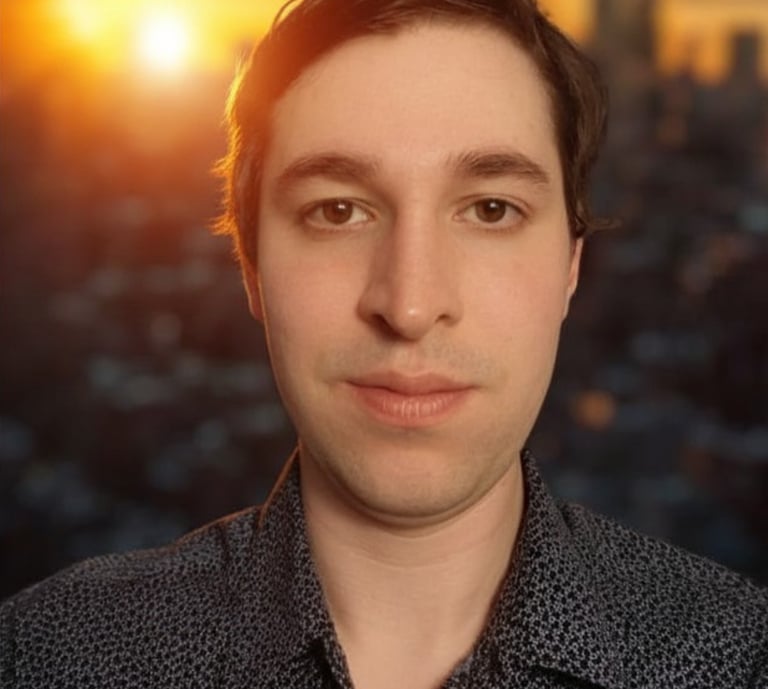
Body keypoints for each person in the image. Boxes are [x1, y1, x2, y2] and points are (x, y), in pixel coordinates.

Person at [1, 0, 766, 686]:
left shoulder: (738, 659)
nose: (410, 304)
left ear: (571, 264)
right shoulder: (51, 658)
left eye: (491, 209)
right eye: (338, 210)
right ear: (251, 267)